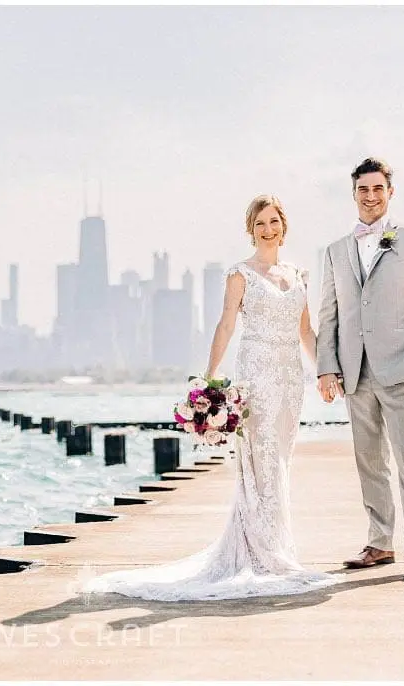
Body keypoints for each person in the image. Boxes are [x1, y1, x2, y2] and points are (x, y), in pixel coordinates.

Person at [81, 195, 341, 600]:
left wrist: (325, 370)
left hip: (291, 378)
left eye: (273, 222)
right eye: (260, 224)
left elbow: (306, 332)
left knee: (281, 461)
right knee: (260, 462)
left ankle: (272, 547)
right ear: (250, 230)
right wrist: (211, 378)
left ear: (284, 226)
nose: (268, 230)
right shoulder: (241, 274)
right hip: (256, 376)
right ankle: (261, 554)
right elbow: (225, 326)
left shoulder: (298, 273)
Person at [316, 157, 404, 581]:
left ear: (390, 192)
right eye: (363, 190)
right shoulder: (336, 251)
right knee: (369, 461)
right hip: (355, 373)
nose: (370, 197)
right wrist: (327, 367)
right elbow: (329, 315)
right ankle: (379, 542)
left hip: (401, 368)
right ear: (353, 194)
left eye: (378, 189)